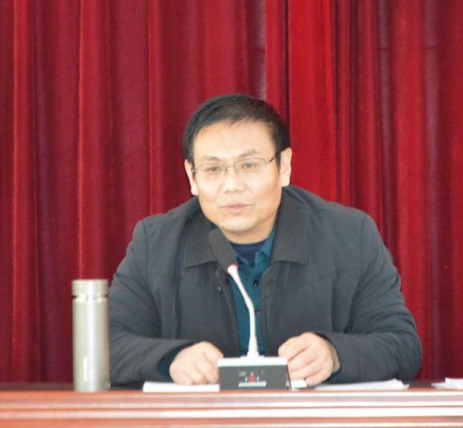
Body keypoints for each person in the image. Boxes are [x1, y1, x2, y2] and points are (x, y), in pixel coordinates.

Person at [108, 94, 422, 386]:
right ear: (192, 177)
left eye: (249, 165)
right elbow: (105, 345)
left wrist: (334, 354)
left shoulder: (350, 236)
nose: (232, 185)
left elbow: (402, 346)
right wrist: (170, 359)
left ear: (284, 167)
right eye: (213, 169)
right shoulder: (155, 244)